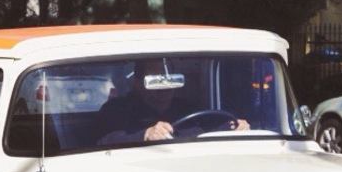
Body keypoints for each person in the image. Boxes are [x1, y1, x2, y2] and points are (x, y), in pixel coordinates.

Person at [95, 59, 249, 145]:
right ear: (138, 83)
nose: (165, 87)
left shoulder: (188, 108)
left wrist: (232, 127)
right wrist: (145, 135)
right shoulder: (117, 109)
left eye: (170, 80)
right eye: (155, 80)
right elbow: (103, 142)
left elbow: (209, 130)